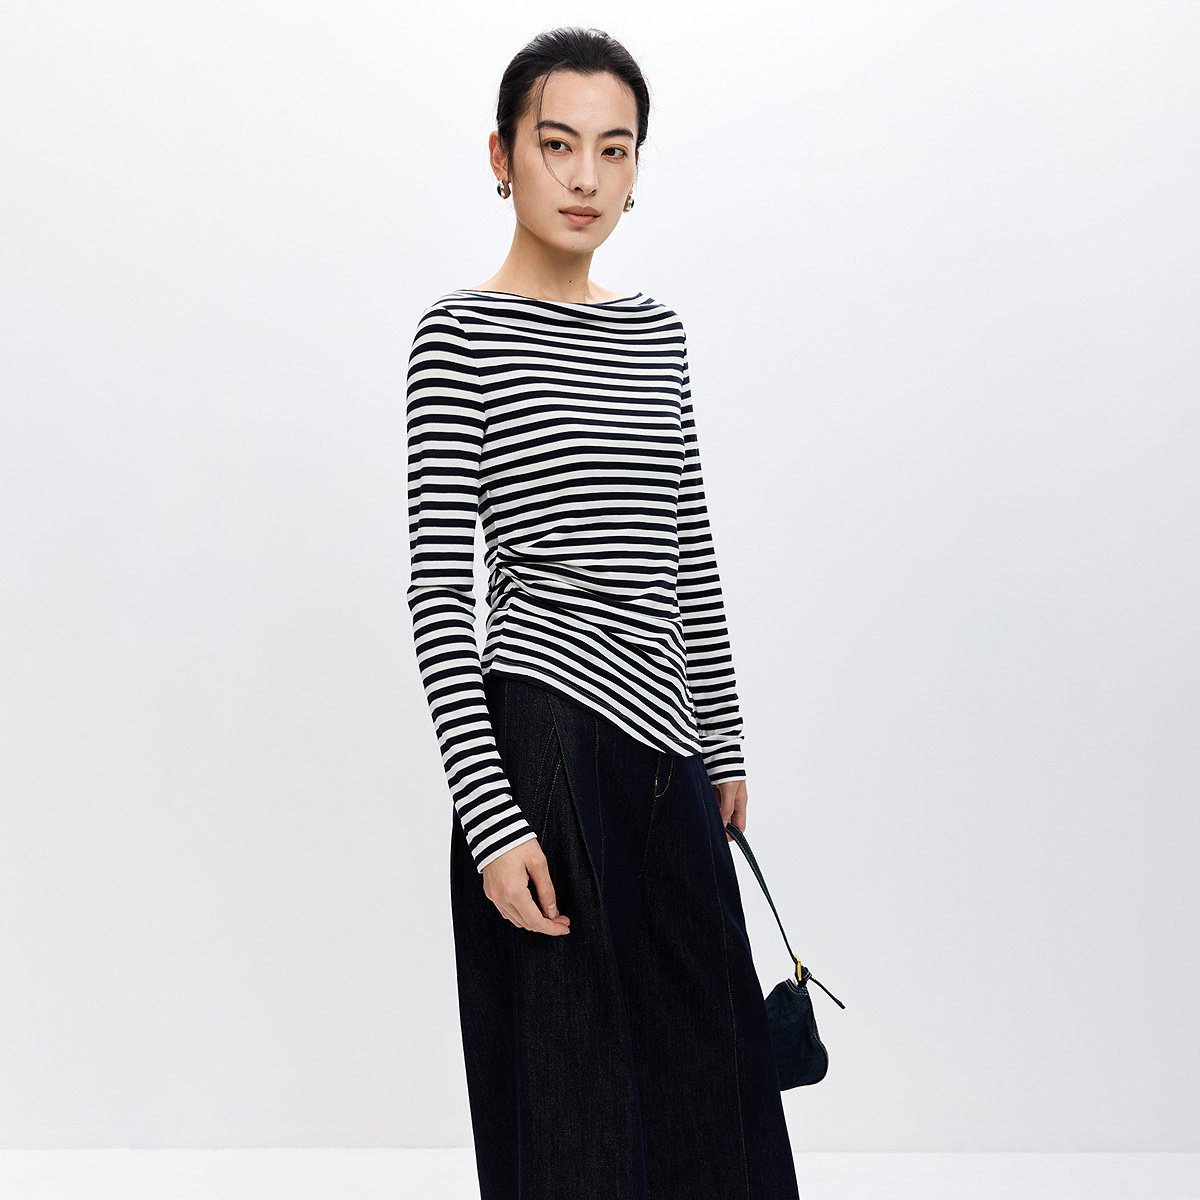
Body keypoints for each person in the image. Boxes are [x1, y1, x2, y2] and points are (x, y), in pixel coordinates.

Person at [405, 26, 802, 1200]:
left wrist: (722, 741)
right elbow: (439, 595)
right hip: (545, 748)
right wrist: (492, 821)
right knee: (575, 1109)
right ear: (502, 155)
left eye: (614, 149)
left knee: (716, 1096)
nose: (586, 177)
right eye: (557, 144)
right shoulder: (459, 334)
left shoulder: (655, 333)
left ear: (637, 168)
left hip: (668, 755)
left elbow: (689, 555)